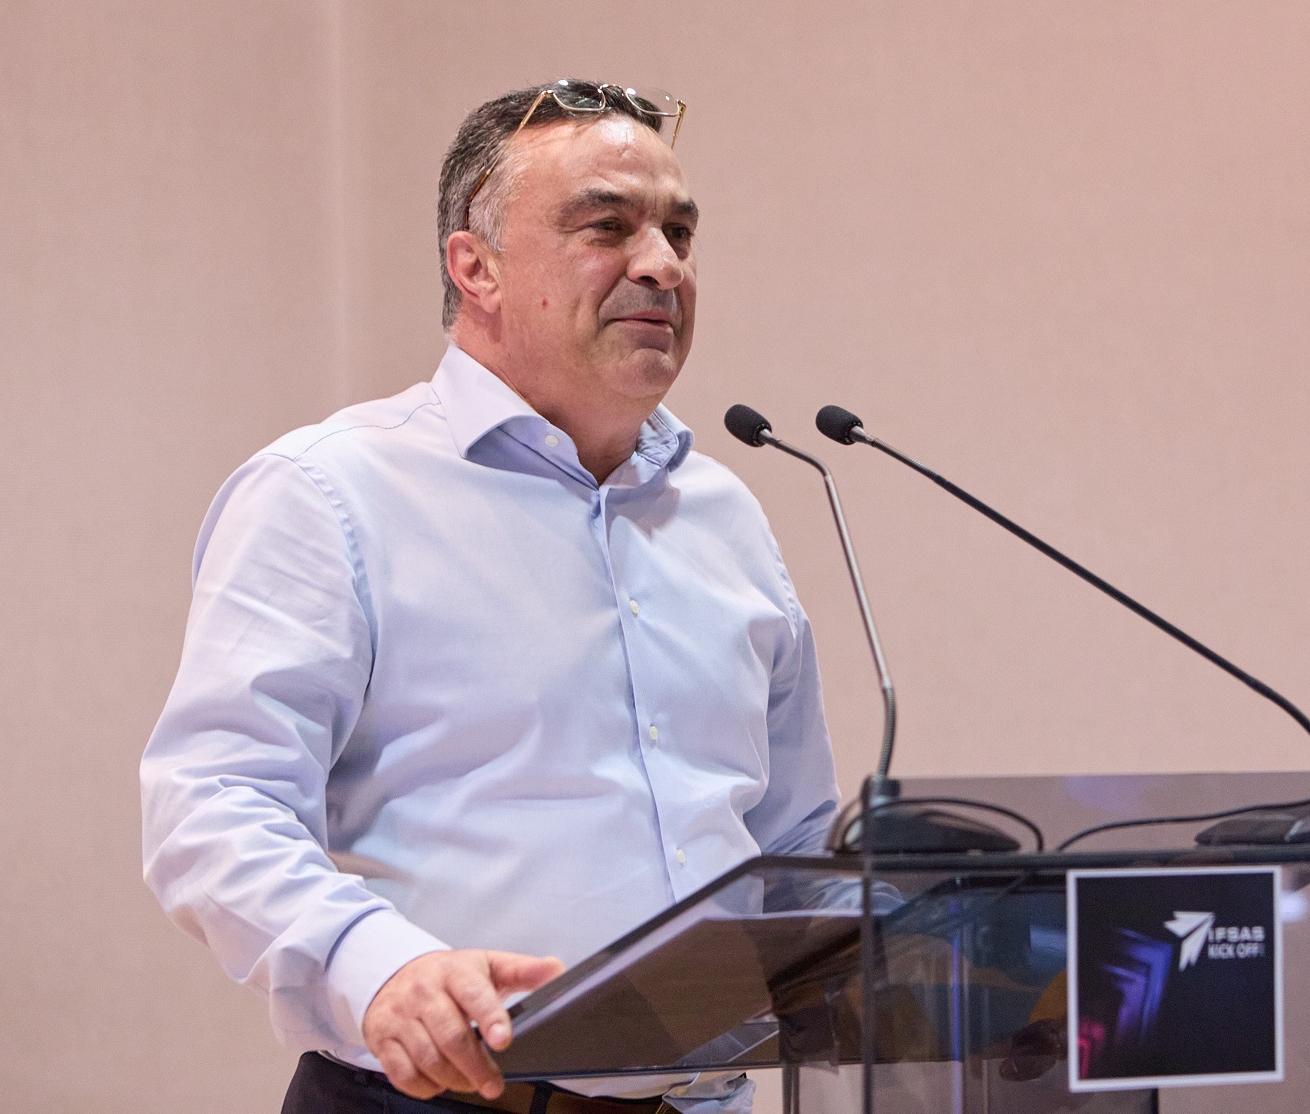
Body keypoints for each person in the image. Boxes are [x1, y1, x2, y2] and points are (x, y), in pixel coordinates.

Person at [141, 81, 840, 1114]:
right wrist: (376, 963)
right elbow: (212, 803)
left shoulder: (724, 514)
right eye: (607, 226)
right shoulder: (330, 493)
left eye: (679, 232)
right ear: (476, 267)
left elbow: (791, 835)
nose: (662, 263)